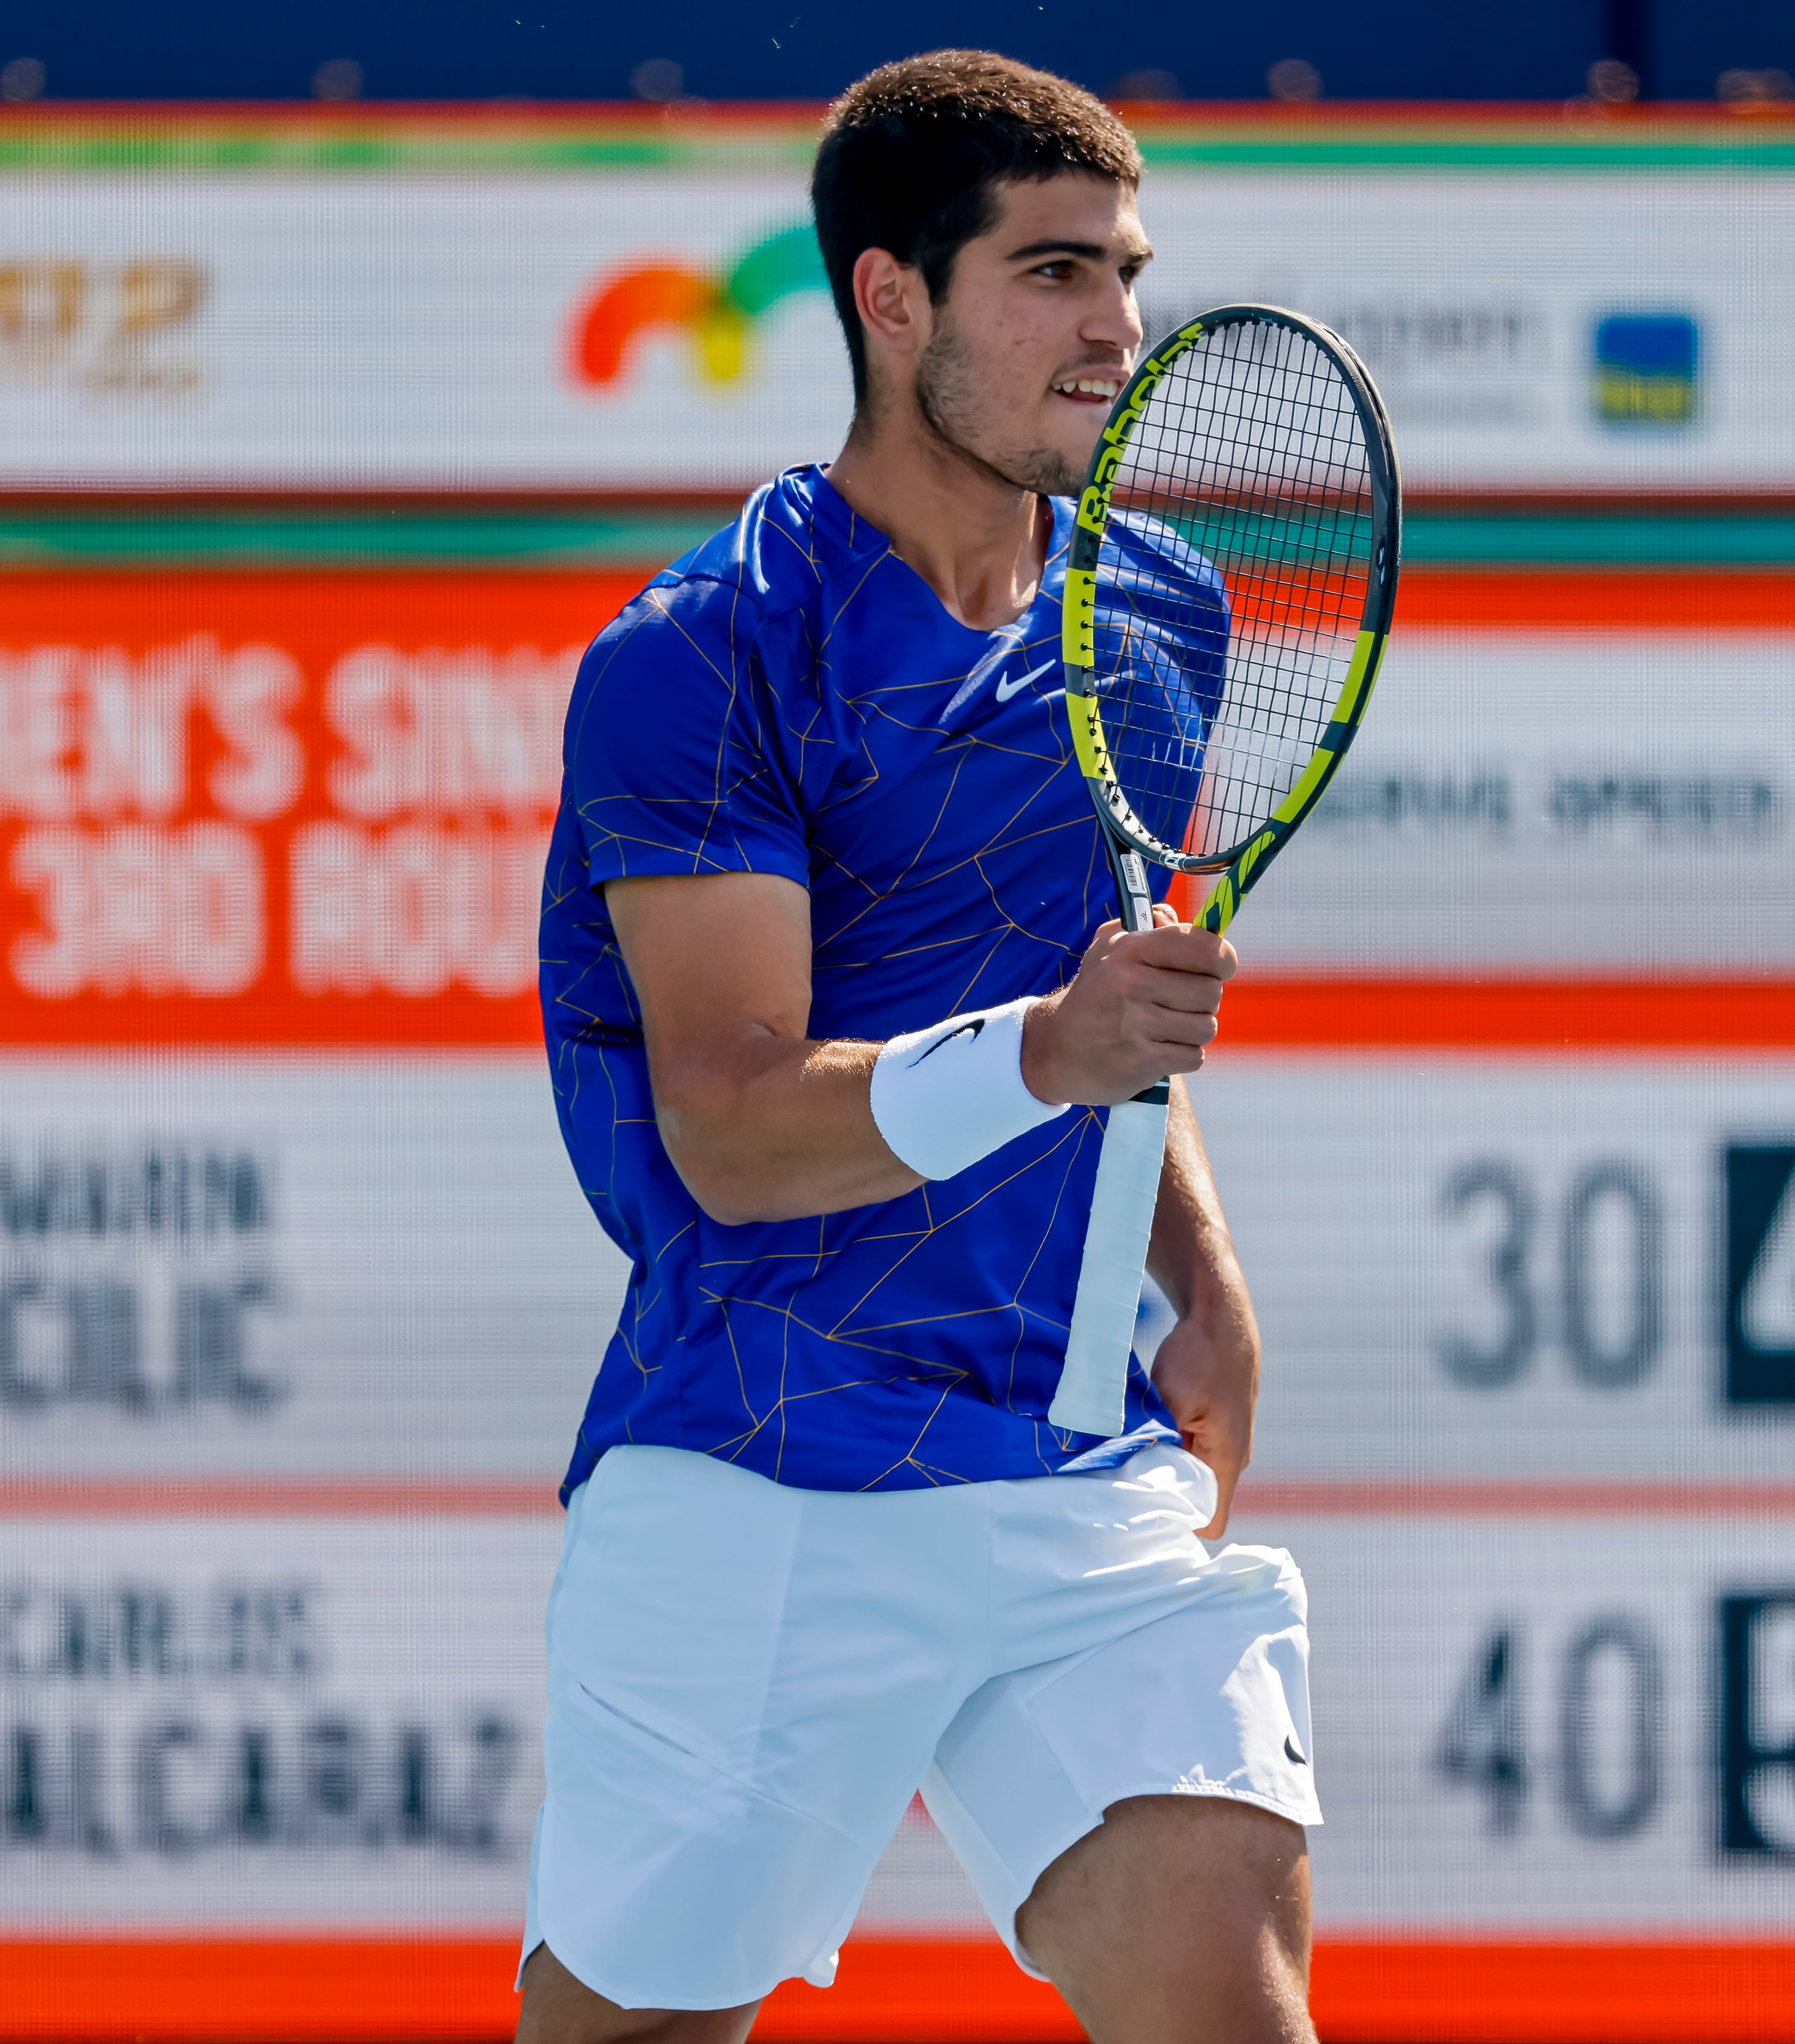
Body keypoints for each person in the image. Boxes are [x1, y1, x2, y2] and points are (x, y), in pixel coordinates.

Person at [514, 49, 1318, 2044]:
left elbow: (1108, 999)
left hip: (1075, 1467)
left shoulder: (1161, 615)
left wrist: (1195, 1278)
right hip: (768, 1468)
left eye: (1126, 272)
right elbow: (731, 1128)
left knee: (1229, 1982)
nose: (1118, 328)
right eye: (1053, 273)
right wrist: (1056, 1050)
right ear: (892, 301)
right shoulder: (700, 660)